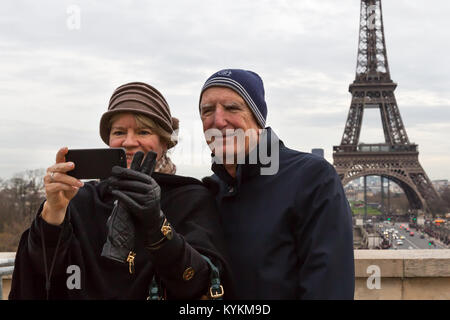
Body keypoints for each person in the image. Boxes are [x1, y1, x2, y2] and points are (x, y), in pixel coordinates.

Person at [9, 82, 232, 300]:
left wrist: (156, 225)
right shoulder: (80, 198)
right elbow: (39, 275)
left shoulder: (189, 197)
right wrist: (53, 213)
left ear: (164, 143)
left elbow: (199, 281)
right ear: (109, 141)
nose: (129, 141)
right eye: (119, 132)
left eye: (144, 132)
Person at [199, 69, 355, 299]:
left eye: (232, 108)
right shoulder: (209, 191)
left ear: (258, 118)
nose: (218, 120)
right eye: (207, 110)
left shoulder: (313, 178)